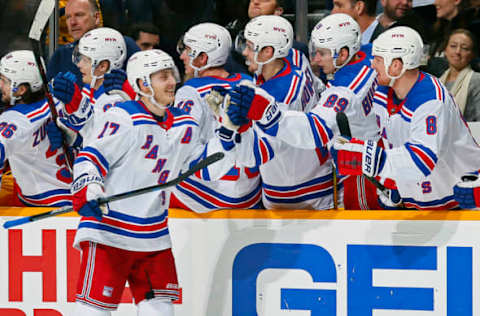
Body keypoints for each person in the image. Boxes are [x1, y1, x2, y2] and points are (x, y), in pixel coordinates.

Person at [69, 49, 254, 315]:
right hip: (109, 230)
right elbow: (91, 156)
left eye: (172, 75)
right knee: (93, 310)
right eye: (163, 77)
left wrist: (227, 134)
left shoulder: (184, 124)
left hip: (153, 234)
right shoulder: (122, 117)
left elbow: (203, 168)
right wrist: (89, 189)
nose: (172, 83)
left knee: (160, 311)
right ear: (143, 84)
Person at [227, 14, 382, 209]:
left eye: (323, 53)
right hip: (341, 165)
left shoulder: (342, 91)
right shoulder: (370, 55)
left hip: (316, 187)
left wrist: (265, 114)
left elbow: (314, 131)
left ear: (343, 54)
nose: (316, 60)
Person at [331, 26, 480, 209]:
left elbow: (421, 160)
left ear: (396, 65)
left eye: (378, 60)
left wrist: (368, 157)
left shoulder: (430, 98)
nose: (372, 65)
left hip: (460, 200)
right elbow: (390, 140)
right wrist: (394, 182)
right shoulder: (382, 93)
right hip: (421, 204)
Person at [232, 15, 331, 209]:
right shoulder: (296, 63)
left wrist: (232, 126)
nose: (245, 52)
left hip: (297, 196)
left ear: (268, 52)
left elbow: (256, 154)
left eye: (251, 47)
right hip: (313, 179)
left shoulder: (279, 97)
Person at [170, 22, 263, 212]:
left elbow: (180, 145)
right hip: (251, 191)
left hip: (216, 193)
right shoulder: (248, 82)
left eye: (188, 51)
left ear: (203, 58)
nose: (182, 56)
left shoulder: (189, 91)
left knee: (161, 180)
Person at [0, 50, 72, 206]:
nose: (0, 85)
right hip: (74, 194)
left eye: (4, 80)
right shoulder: (56, 100)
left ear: (21, 89)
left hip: (44, 205)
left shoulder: (16, 120)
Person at [48, 27, 130, 145]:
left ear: (102, 66)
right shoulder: (89, 89)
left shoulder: (115, 100)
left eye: (85, 60)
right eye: (79, 58)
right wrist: (72, 136)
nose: (79, 65)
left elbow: (105, 148)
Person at [47, 0, 139, 87]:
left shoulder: (123, 44)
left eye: (79, 15)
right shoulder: (60, 55)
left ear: (96, 18)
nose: (72, 22)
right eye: (68, 17)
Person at [439, 29, 480, 121]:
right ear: (445, 50)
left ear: (472, 54)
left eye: (465, 48)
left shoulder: (476, 80)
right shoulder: (438, 81)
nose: (457, 52)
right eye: (453, 46)